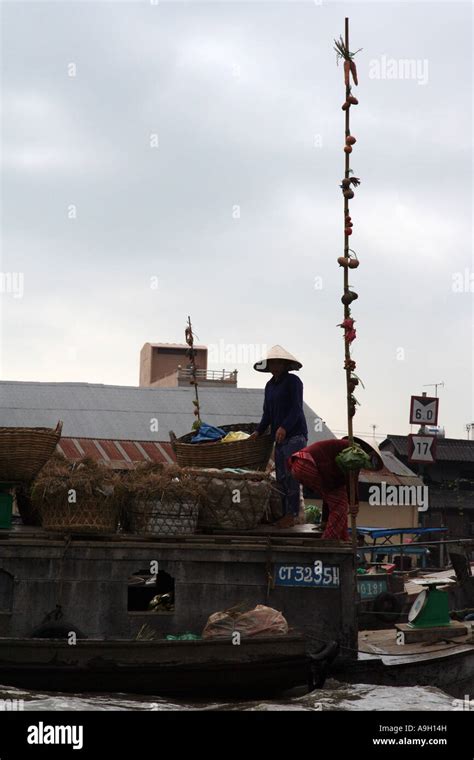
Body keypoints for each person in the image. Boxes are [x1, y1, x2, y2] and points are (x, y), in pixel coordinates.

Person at [249, 345, 308, 529]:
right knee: (281, 477)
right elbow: (267, 413)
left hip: (295, 436)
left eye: (278, 362)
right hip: (280, 438)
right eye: (272, 362)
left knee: (291, 475)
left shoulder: (293, 382)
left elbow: (297, 409)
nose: (275, 365)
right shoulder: (269, 386)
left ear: (284, 364)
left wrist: (284, 427)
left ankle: (291, 515)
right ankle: (284, 514)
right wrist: (259, 431)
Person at [287, 437, 384, 541]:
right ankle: (329, 540)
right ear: (368, 452)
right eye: (372, 461)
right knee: (341, 505)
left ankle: (342, 537)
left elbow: (329, 494)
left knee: (338, 498)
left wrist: (325, 520)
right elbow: (352, 480)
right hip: (309, 464)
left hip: (298, 465)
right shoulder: (354, 453)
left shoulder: (341, 453)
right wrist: (354, 502)